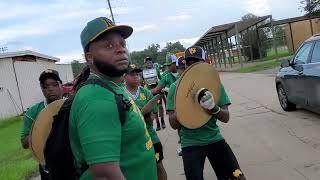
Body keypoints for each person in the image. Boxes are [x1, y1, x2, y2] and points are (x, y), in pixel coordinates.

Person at [69, 17, 157, 180]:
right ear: (89, 57)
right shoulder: (95, 97)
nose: (120, 49)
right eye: (109, 45)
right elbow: (105, 175)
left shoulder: (113, 87)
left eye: (122, 44)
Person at [166, 46, 246, 180]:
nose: (192, 66)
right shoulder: (176, 88)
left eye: (196, 62)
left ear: (205, 63)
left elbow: (226, 117)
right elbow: (173, 124)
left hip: (214, 138)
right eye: (189, 63)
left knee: (237, 177)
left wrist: (213, 107)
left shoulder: (214, 84)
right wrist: (184, 107)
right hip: (190, 143)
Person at [124, 63, 167, 180]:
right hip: (132, 143)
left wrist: (146, 115)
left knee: (158, 166)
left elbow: (152, 116)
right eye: (132, 74)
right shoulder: (121, 95)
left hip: (150, 139)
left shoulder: (146, 93)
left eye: (137, 74)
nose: (136, 77)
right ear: (124, 76)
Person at [21, 69, 63, 180]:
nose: (50, 89)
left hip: (73, 165)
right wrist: (41, 129)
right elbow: (24, 143)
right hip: (47, 168)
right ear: (42, 89)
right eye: (45, 86)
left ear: (61, 86)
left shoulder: (73, 105)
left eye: (54, 84)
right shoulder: (33, 112)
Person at [143, 57, 166, 130]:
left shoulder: (156, 70)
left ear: (152, 63)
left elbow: (160, 78)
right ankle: (158, 123)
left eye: (150, 62)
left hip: (158, 90)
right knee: (154, 108)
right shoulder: (143, 72)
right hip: (150, 92)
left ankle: (162, 121)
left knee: (160, 106)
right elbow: (143, 82)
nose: (149, 63)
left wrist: (160, 85)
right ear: (145, 64)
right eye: (147, 62)